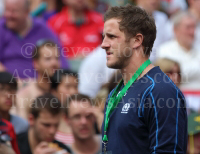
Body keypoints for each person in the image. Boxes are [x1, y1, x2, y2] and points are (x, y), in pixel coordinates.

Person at [101, 4, 187, 154]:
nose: (103, 44)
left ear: (137, 40)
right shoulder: (116, 92)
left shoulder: (160, 91)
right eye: (104, 37)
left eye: (112, 36)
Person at [0, 0, 69, 79]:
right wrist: (11, 80)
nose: (8, 15)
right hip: (8, 85)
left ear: (26, 12)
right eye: (7, 10)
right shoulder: (2, 27)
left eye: (14, 11)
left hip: (41, 84)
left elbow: (61, 60)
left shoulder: (41, 28)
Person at [48, 0, 104, 71]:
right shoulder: (54, 23)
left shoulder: (99, 20)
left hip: (96, 69)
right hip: (66, 71)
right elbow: (49, 53)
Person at [15, 40, 61, 120]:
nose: (54, 63)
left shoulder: (62, 92)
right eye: (48, 59)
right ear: (36, 63)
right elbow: (22, 128)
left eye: (56, 58)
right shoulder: (25, 94)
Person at [157, 11, 200, 91]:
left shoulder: (198, 49)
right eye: (188, 27)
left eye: (194, 27)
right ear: (175, 29)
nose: (192, 32)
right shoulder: (165, 50)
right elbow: (166, 75)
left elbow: (180, 72)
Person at [51, 69, 78, 145]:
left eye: (76, 87)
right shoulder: (48, 121)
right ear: (54, 91)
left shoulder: (86, 118)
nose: (74, 92)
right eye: (67, 87)